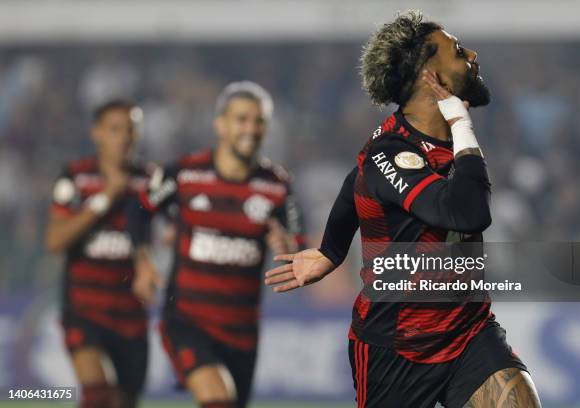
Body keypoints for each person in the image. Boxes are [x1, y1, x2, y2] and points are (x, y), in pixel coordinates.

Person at [265, 11, 541, 408]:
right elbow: (466, 214)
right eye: (458, 51)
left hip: (467, 331)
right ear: (431, 75)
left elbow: (351, 185)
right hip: (395, 349)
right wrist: (461, 122)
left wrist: (330, 250)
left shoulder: (413, 146)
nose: (473, 55)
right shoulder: (392, 153)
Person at [128, 81, 305, 408]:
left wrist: (288, 249)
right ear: (220, 124)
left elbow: (301, 249)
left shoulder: (277, 187)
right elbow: (138, 210)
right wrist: (142, 261)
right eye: (242, 119)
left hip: (242, 331)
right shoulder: (183, 174)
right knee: (217, 400)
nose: (250, 129)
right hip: (187, 321)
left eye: (258, 121)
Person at [45, 100, 150, 408]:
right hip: (85, 308)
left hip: (131, 312)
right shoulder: (76, 178)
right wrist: (105, 198)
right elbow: (54, 241)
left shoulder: (150, 181)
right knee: (97, 395)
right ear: (97, 134)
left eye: (130, 129)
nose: (124, 137)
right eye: (115, 129)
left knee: (124, 402)